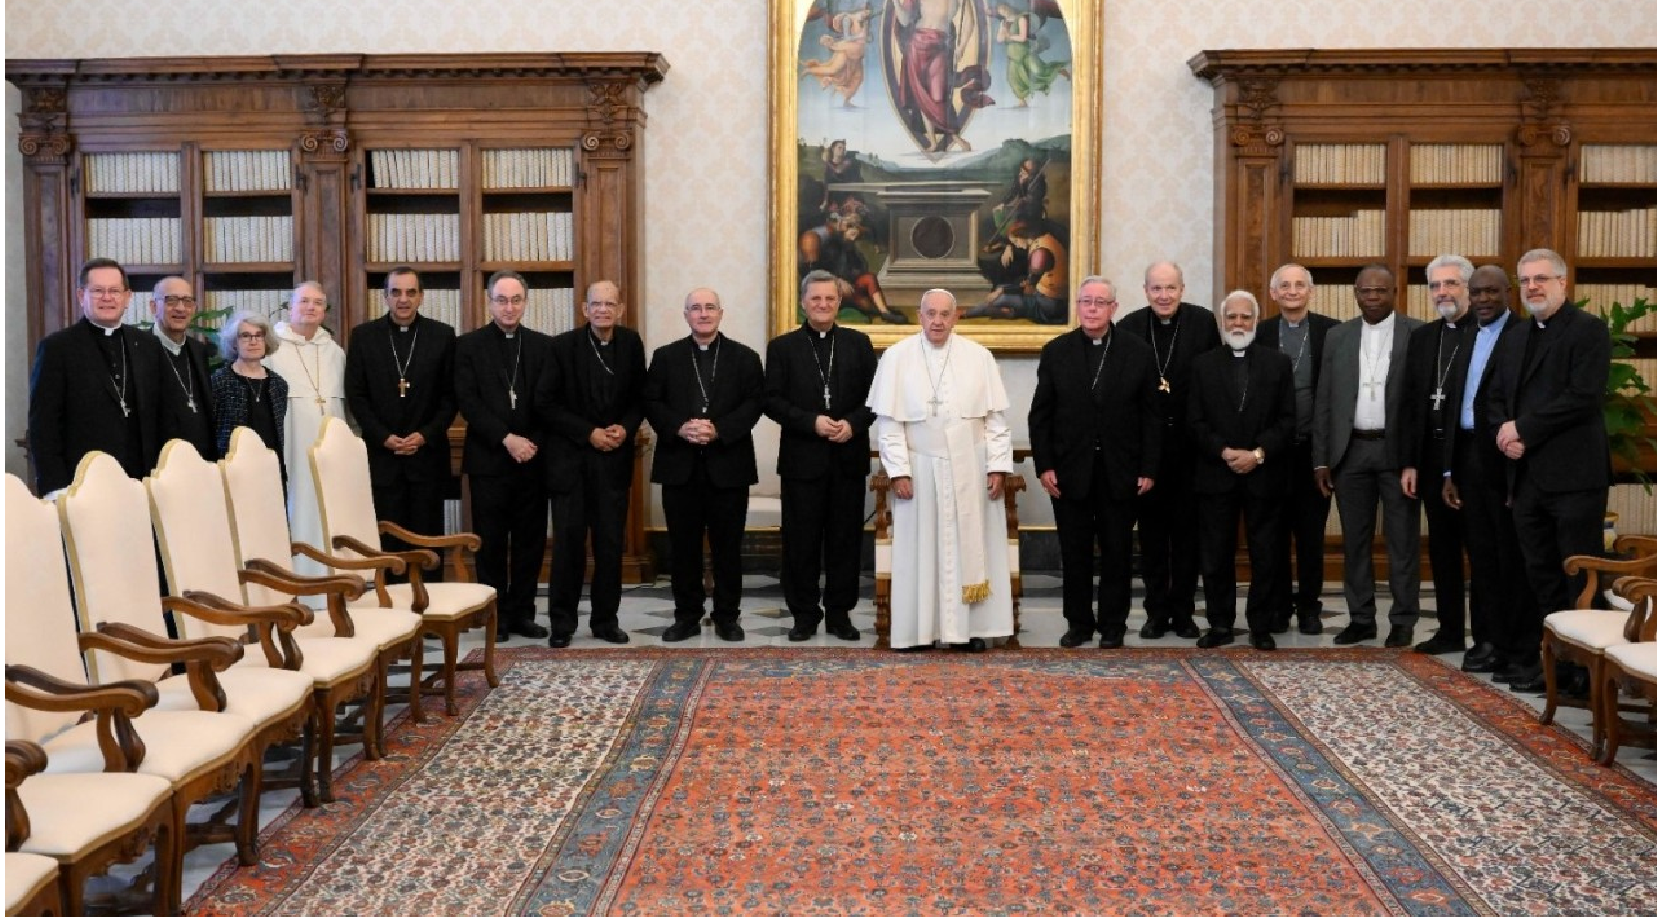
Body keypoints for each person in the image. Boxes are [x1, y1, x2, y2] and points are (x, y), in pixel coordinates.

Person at [1485, 248, 1612, 693]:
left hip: (1574, 477)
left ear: (1563, 282)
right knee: (1538, 572)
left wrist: (1524, 429)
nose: (1533, 287)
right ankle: (1556, 663)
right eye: (1526, 280)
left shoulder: (1589, 331)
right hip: (1526, 478)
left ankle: (1585, 670)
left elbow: (1583, 397)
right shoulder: (1516, 336)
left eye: (1542, 278)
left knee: (1576, 573)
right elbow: (1494, 393)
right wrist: (1505, 431)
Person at [868, 288, 1015, 651]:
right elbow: (888, 424)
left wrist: (997, 465)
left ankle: (965, 633)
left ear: (956, 316)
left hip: (970, 465)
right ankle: (919, 632)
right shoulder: (896, 357)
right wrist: (899, 471)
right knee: (919, 552)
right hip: (919, 468)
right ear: (920, 315)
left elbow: (995, 420)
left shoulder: (979, 357)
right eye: (930, 313)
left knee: (971, 549)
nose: (937, 320)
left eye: (944, 314)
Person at [1028, 277, 1160, 649]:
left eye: (1100, 302)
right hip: (1070, 472)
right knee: (1074, 552)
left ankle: (1114, 624)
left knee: (1118, 552)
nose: (1091, 308)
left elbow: (1152, 416)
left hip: (1122, 470)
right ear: (1077, 306)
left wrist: (1148, 468)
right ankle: (1079, 623)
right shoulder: (1057, 351)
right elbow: (1041, 416)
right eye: (1085, 301)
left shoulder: (1137, 351)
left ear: (1113, 308)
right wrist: (1045, 466)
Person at [764, 270, 878, 642]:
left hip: (847, 458)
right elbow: (772, 401)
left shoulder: (859, 345)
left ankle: (840, 614)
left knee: (845, 541)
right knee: (800, 541)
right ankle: (804, 614)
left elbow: (875, 399)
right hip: (802, 460)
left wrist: (852, 424)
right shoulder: (783, 347)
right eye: (816, 299)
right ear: (803, 302)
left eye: (829, 299)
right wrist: (811, 422)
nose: (823, 305)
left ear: (838, 303)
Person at [646, 288, 765, 643]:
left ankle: (728, 616)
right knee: (683, 548)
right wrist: (679, 427)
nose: (703, 314)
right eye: (695, 308)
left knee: (728, 547)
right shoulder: (665, 357)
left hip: (728, 464)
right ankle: (686, 616)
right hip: (680, 466)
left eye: (709, 307)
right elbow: (651, 401)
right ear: (685, 315)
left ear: (721, 313)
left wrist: (719, 429)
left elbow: (755, 402)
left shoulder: (745, 357)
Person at [1313, 265, 1423, 647]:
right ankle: (1361, 618)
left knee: (1402, 540)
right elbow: (1324, 399)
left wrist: (1415, 459)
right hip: (1351, 451)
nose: (1372, 297)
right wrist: (1321, 458)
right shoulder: (1337, 336)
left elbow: (1419, 404)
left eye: (1380, 290)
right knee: (1354, 541)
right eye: (1365, 291)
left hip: (1397, 453)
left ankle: (1403, 619)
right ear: (1355, 293)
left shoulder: (1418, 334)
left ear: (1395, 291)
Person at [536, 280, 645, 648]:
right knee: (568, 546)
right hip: (571, 463)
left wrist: (624, 428)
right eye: (596, 304)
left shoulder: (630, 344)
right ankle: (562, 624)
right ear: (584, 309)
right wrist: (589, 434)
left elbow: (639, 398)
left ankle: (605, 621)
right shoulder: (562, 346)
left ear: (621, 308)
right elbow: (546, 404)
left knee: (610, 546)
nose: (603, 310)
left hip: (613, 462)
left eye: (610, 304)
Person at [1442, 265, 1537, 679]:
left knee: (1509, 557)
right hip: (1466, 455)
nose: (1482, 300)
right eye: (1476, 292)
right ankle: (1488, 640)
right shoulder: (1466, 336)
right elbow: (1452, 407)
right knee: (1479, 556)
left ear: (1508, 293)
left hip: (1505, 456)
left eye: (1491, 292)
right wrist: (1449, 470)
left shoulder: (1523, 334)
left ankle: (1517, 647)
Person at [1116, 261, 1220, 641]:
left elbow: (1214, 380)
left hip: (1192, 450)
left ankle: (1184, 612)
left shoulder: (1203, 323)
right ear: (1145, 291)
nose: (1164, 296)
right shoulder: (1129, 326)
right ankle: (1156, 612)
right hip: (1148, 452)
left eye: (1170, 288)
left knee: (1188, 537)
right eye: (1156, 289)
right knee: (1154, 538)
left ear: (1182, 288)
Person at [1187, 291, 1297, 650]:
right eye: (1231, 317)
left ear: (1255, 320)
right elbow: (1195, 421)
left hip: (1264, 475)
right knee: (1215, 555)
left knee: (1266, 555)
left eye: (1245, 317)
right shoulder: (1202, 365)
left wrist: (1258, 453)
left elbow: (1287, 420)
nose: (1238, 324)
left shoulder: (1278, 364)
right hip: (1215, 474)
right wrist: (1224, 451)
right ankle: (1220, 625)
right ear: (1222, 323)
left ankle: (1260, 625)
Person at [455, 270, 552, 642]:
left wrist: (529, 443)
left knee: (530, 542)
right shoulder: (468, 346)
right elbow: (469, 402)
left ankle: (523, 614)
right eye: (501, 300)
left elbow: (548, 403)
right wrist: (507, 438)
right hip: (489, 460)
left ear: (525, 303)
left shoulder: (543, 347)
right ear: (489, 302)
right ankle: (495, 616)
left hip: (532, 458)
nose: (509, 307)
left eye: (516, 300)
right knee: (491, 543)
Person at [344, 267, 458, 568]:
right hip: (383, 458)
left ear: (421, 296)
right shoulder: (364, 336)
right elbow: (356, 395)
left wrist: (425, 435)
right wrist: (383, 437)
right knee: (387, 541)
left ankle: (432, 606)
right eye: (395, 292)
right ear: (385, 297)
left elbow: (450, 397)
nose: (403, 300)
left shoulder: (443, 336)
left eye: (410, 292)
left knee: (428, 538)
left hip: (428, 457)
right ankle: (391, 605)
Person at [27, 258, 167, 496]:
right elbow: (44, 425)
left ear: (127, 297)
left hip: (140, 483)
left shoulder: (148, 345)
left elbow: (161, 415)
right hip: (81, 485)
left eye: (114, 291)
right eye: (98, 291)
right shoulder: (58, 348)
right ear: (82, 296)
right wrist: (56, 490)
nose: (107, 297)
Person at [1255, 263, 1338, 635]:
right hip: (1272, 453)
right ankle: (1277, 606)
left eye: (1299, 285)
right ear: (1273, 293)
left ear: (1310, 291)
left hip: (1313, 452)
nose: (1291, 291)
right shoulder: (1260, 333)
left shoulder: (1331, 332)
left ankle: (1309, 607)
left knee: (1309, 536)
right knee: (1273, 533)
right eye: (1284, 285)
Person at [1400, 255, 1475, 655]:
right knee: (1442, 548)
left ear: (1468, 287)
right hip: (1430, 457)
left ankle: (1487, 635)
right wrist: (1410, 461)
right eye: (1435, 286)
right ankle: (1449, 630)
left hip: (1470, 459)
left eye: (1451, 284)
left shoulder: (1484, 332)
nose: (1442, 292)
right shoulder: (1424, 337)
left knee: (1480, 549)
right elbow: (1412, 403)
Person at [265, 280, 346, 568]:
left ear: (325, 310)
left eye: (318, 303)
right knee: (298, 507)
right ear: (289, 307)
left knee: (332, 508)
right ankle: (299, 578)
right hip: (292, 447)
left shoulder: (335, 352)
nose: (311, 307)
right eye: (304, 301)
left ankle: (336, 577)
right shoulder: (271, 349)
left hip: (331, 451)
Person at [891, 0, 993, 153]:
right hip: (917, 44)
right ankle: (933, 142)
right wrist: (896, 3)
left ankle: (955, 137)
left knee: (938, 96)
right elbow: (905, 20)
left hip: (940, 45)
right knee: (921, 95)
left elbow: (969, 22)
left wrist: (962, 46)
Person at [210, 310, 288, 479]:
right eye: (245, 335)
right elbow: (211, 430)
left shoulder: (278, 384)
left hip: (271, 471)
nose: (253, 341)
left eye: (259, 335)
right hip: (233, 472)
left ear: (266, 341)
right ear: (234, 342)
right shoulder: (219, 381)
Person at [149, 276, 217, 461]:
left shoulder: (198, 350)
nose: (180, 308)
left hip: (202, 463)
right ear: (154, 307)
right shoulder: (139, 349)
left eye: (187, 301)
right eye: (171, 300)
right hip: (159, 465)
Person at [965, 218, 1067, 324]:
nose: (1016, 245)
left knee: (1002, 298)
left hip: (1048, 305)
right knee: (1003, 290)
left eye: (1016, 241)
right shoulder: (1045, 240)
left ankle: (968, 313)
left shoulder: (1039, 253)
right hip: (1052, 300)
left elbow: (1029, 287)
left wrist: (1002, 291)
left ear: (1023, 236)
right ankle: (1010, 312)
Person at [993, 3, 1069, 107]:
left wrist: (1009, 35)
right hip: (1012, 54)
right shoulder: (1004, 23)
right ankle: (1022, 101)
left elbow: (1023, 37)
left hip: (1024, 52)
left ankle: (1059, 70)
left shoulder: (1021, 18)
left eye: (1004, 9)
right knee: (1013, 78)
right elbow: (999, 39)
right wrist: (1003, 33)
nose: (1003, 12)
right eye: (1000, 11)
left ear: (1009, 8)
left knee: (1038, 70)